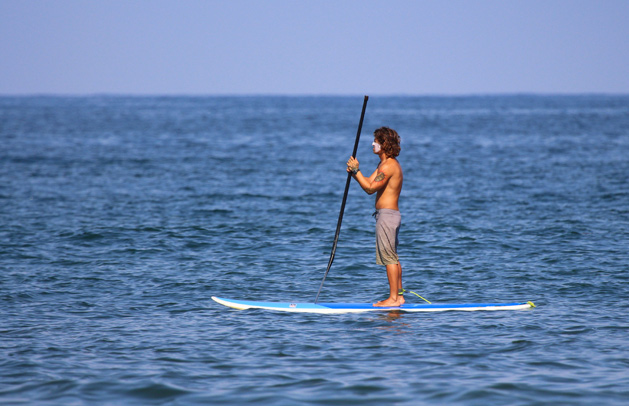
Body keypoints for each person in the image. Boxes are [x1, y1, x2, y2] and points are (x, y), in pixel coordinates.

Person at [346, 127, 404, 307]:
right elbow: (368, 185)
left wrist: (356, 172)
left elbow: (371, 188)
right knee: (392, 256)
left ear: (384, 145)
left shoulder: (389, 166)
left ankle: (393, 299)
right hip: (386, 215)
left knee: (389, 258)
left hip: (387, 217)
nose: (373, 144)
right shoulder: (383, 165)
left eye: (377, 141)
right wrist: (355, 173)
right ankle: (399, 296)